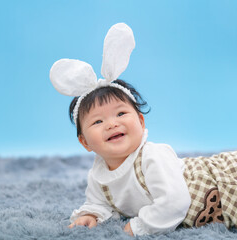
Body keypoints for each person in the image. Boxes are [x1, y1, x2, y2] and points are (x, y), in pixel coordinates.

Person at [49, 23, 237, 236]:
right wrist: (90, 215)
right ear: (85, 142)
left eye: (121, 114)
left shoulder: (151, 156)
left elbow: (174, 202)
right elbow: (99, 203)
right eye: (98, 122)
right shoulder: (98, 175)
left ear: (141, 122)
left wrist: (138, 227)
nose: (112, 124)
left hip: (223, 182)